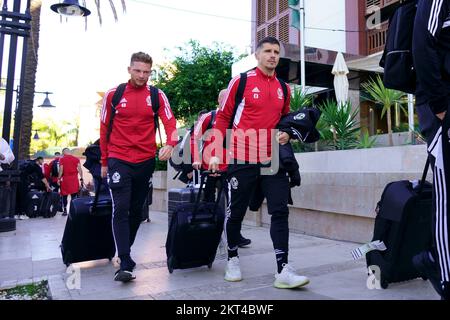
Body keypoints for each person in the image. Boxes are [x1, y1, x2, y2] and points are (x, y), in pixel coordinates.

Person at [208, 37, 309, 289]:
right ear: (257, 55)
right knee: (236, 213)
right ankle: (232, 258)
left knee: (280, 211)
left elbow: (284, 120)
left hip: (271, 159)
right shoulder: (241, 82)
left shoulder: (284, 89)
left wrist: (287, 133)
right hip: (241, 158)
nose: (272, 56)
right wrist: (214, 152)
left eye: (276, 52)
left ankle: (283, 269)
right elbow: (222, 118)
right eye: (267, 51)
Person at [100, 52, 177, 282]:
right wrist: (104, 162)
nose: (142, 76)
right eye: (138, 70)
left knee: (136, 211)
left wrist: (171, 144)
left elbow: (170, 122)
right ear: (129, 69)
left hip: (144, 161)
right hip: (118, 158)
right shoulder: (114, 95)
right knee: (121, 208)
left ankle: (126, 252)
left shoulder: (156, 95)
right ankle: (124, 260)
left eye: (146, 72)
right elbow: (104, 129)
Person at [412, 0, 450, 300]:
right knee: (447, 197)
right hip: (442, 108)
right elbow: (422, 46)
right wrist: (439, 107)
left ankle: (433, 259)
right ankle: (446, 277)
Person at [191, 89, 252, 248]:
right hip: (210, 167)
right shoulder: (208, 117)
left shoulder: (237, 118)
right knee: (208, 201)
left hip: (231, 168)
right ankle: (209, 233)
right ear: (219, 100)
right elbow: (194, 137)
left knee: (235, 203)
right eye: (225, 99)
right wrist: (196, 159)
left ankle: (234, 235)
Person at [58, 148, 83, 216]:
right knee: (74, 195)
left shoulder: (62, 159)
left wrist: (59, 178)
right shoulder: (76, 159)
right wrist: (81, 178)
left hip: (65, 179)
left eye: (63, 153)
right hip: (74, 179)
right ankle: (73, 210)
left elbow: (61, 170)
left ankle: (65, 210)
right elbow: (79, 169)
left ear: (64, 152)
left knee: (64, 196)